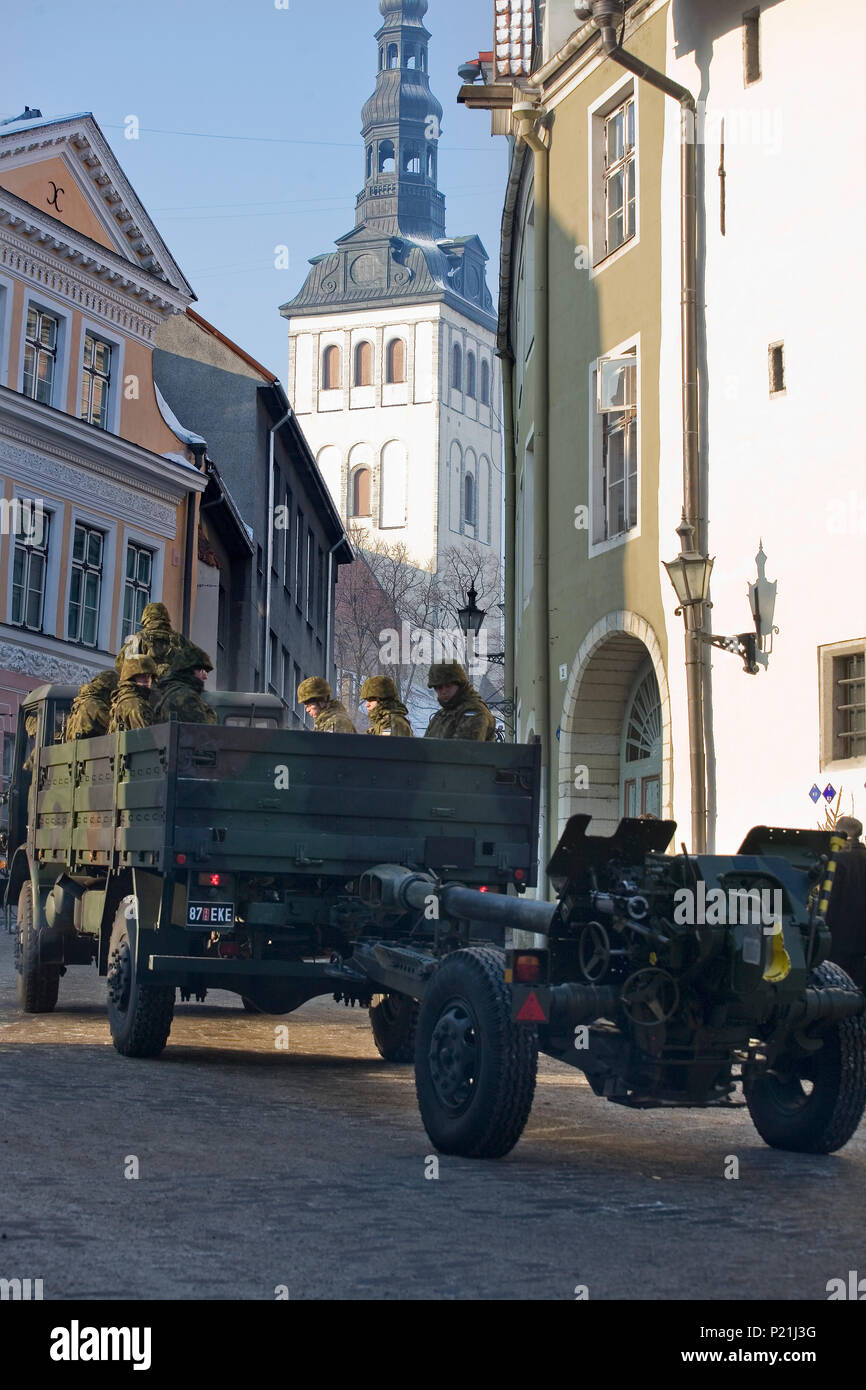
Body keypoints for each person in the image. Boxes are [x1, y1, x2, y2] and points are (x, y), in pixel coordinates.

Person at [826, 815, 866, 989]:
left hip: (840, 940)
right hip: (862, 942)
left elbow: (830, 900)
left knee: (839, 989)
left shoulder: (838, 861)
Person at [423, 662, 496, 741]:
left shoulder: (474, 712)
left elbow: (464, 750)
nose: (444, 691)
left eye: (448, 686)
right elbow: (424, 747)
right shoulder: (440, 715)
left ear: (460, 684)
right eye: (439, 687)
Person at [115, 602, 185, 680]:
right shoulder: (179, 640)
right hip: (172, 688)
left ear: (146, 618)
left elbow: (120, 664)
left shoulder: (139, 638)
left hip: (146, 687)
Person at [152, 644, 218, 725]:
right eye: (202, 670)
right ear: (188, 670)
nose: (205, 676)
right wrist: (211, 713)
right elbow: (205, 729)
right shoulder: (185, 696)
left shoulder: (171, 691)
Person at [64, 669, 118, 740]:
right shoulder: (94, 705)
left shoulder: (80, 702)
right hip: (89, 748)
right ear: (107, 690)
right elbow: (114, 729)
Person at [109, 656, 157, 732]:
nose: (147, 679)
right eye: (141, 675)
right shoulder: (134, 703)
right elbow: (145, 737)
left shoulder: (123, 699)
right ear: (130, 677)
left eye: (149, 675)